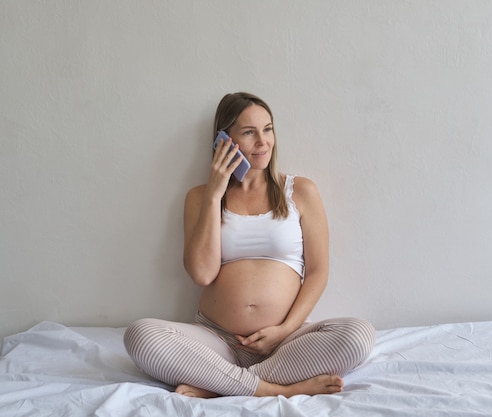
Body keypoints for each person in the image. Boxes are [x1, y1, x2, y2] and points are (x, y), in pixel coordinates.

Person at [124, 92, 375, 398]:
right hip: (216, 340)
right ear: (223, 140)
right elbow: (202, 274)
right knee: (141, 336)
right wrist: (215, 193)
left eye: (268, 129)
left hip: (287, 342)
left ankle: (218, 387)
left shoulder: (300, 191)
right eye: (249, 132)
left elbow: (318, 273)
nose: (263, 141)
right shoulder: (199, 198)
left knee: (358, 336)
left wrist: (283, 330)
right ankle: (272, 389)